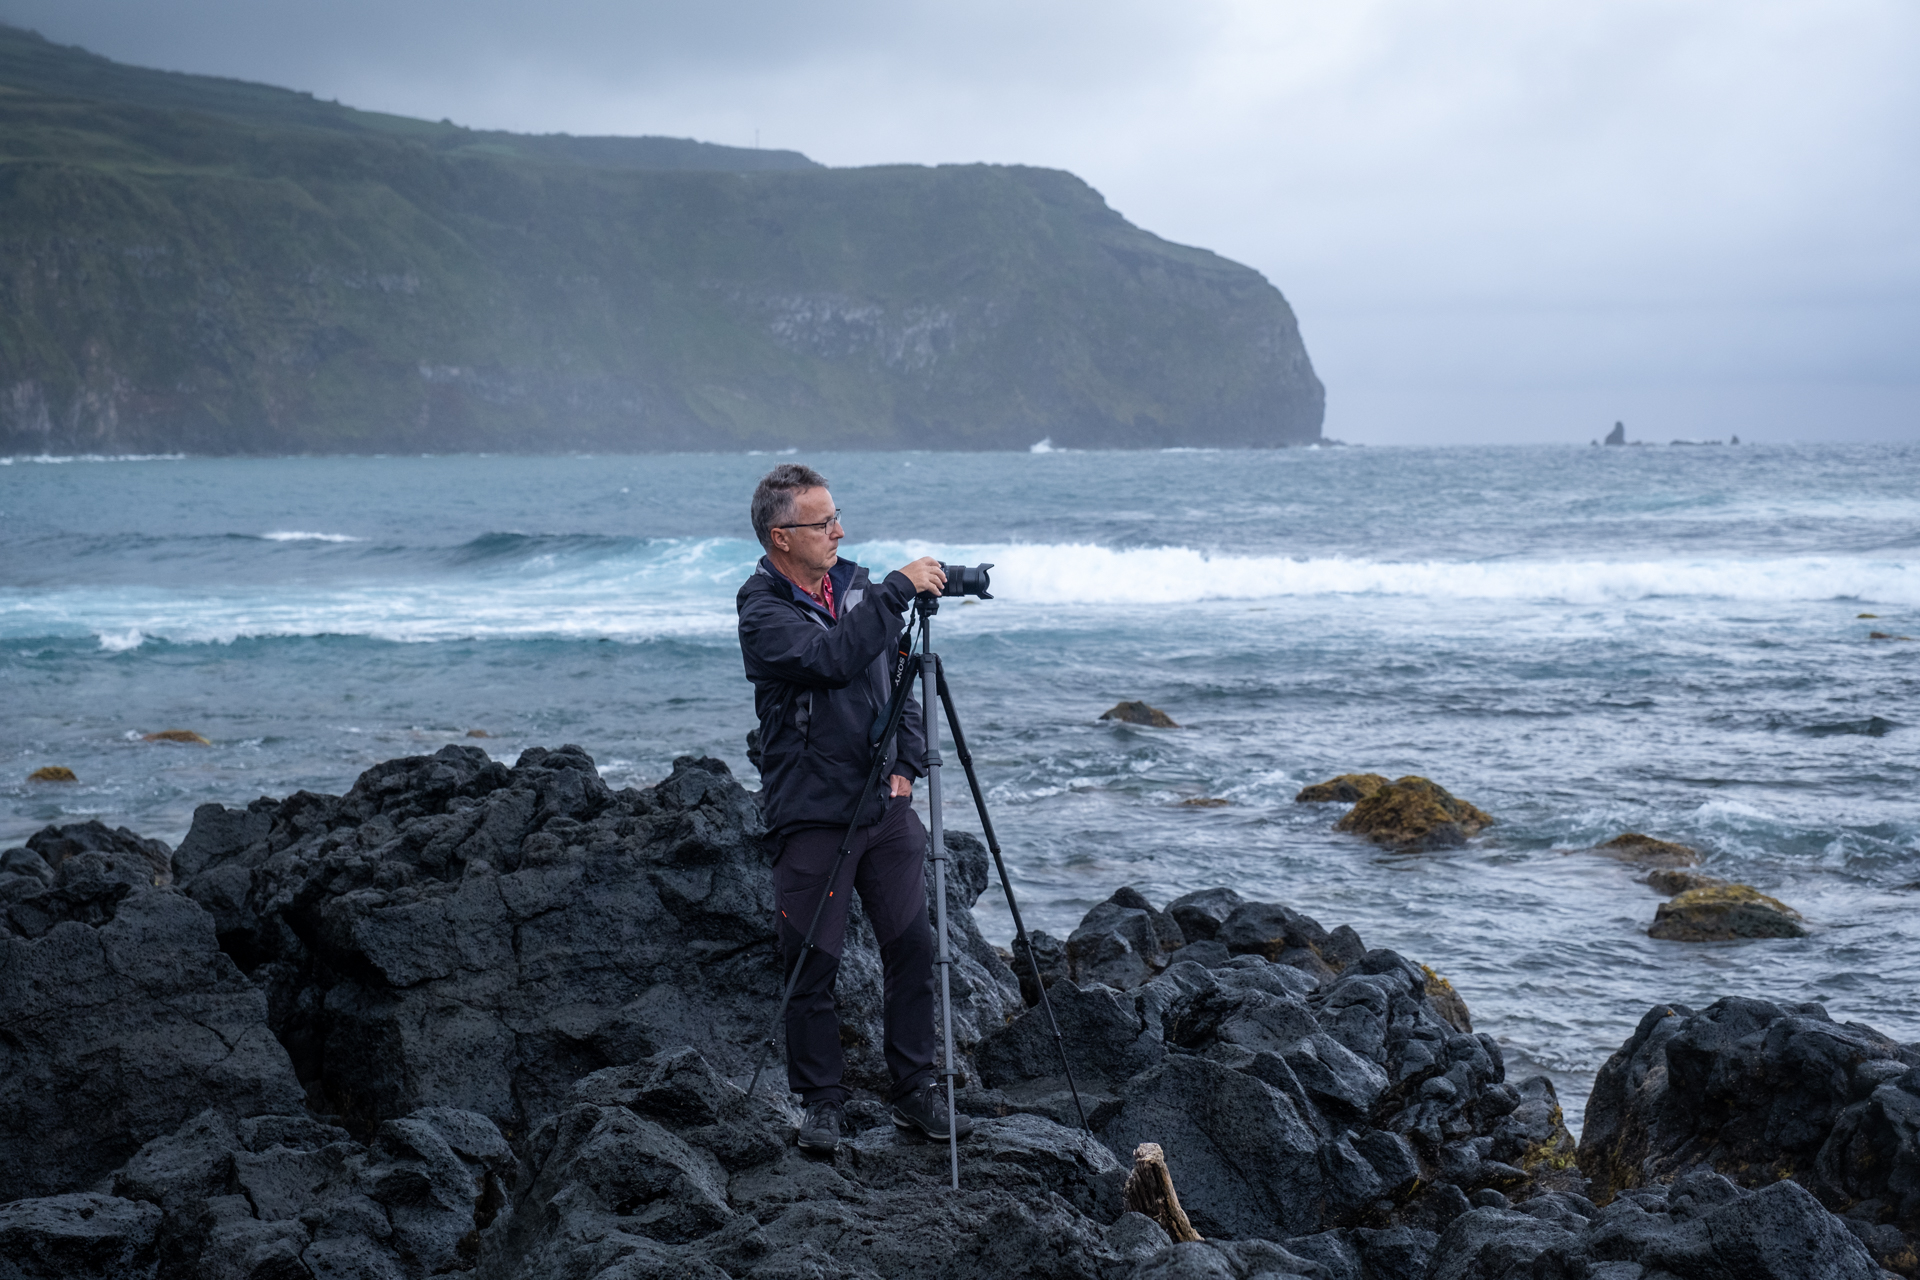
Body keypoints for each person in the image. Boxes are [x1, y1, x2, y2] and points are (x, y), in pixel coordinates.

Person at [736, 463, 975, 1153]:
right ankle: (821, 1105)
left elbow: (897, 675)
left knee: (915, 946)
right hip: (812, 812)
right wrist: (897, 589)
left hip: (883, 806)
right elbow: (835, 658)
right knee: (812, 961)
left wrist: (906, 764)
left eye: (838, 516)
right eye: (822, 522)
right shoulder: (763, 611)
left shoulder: (857, 585)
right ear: (782, 537)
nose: (839, 530)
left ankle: (916, 1092)